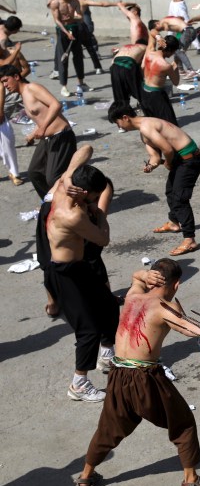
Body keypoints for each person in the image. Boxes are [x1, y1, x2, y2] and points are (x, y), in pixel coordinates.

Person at [76, 259, 200, 486]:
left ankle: (86, 475)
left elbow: (136, 280)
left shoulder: (133, 297)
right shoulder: (163, 308)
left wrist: (142, 274)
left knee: (108, 427)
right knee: (182, 423)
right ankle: (191, 480)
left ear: (152, 278)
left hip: (117, 374)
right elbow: (187, 326)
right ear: (177, 284)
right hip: (144, 378)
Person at [38, 146, 117, 402]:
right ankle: (79, 383)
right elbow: (103, 239)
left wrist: (69, 175)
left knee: (108, 305)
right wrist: (100, 214)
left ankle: (107, 356)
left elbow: (85, 148)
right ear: (84, 193)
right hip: (64, 273)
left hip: (79, 266)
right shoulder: (71, 214)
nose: (96, 199)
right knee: (88, 330)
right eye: (94, 196)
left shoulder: (66, 183)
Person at [107, 103, 200, 257]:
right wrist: (151, 166)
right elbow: (156, 157)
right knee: (170, 192)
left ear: (125, 118)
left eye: (117, 123)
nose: (119, 127)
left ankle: (190, 239)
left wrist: (169, 163)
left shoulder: (147, 126)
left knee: (180, 198)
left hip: (190, 159)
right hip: (181, 160)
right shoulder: (143, 131)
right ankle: (174, 223)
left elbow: (167, 150)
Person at [0, 65, 77, 198]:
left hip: (61, 136)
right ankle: (50, 202)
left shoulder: (32, 88)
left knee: (53, 177)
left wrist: (42, 128)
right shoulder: (23, 95)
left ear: (16, 77)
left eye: (6, 80)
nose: (5, 85)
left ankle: (74, 201)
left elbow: (55, 105)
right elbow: (42, 116)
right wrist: (33, 133)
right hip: (47, 139)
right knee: (34, 173)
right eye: (2, 82)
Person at [49, 0, 109, 97]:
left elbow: (80, 17)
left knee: (78, 57)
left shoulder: (75, 2)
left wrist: (73, 18)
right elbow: (57, 20)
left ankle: (81, 83)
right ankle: (64, 86)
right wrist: (66, 32)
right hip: (62, 31)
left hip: (75, 29)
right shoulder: (55, 3)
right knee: (63, 58)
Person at [140, 34, 181, 126]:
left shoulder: (149, 52)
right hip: (156, 96)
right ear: (170, 50)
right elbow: (176, 82)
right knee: (170, 125)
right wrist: (176, 64)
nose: (173, 54)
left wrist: (158, 37)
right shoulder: (165, 65)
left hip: (144, 92)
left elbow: (152, 32)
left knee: (152, 124)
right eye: (173, 52)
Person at [109, 39, 146, 110]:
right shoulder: (145, 48)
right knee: (139, 91)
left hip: (114, 67)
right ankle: (145, 108)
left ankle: (123, 111)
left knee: (120, 95)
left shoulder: (124, 47)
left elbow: (112, 62)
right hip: (128, 66)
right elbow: (143, 66)